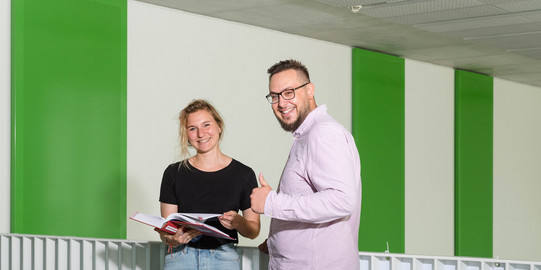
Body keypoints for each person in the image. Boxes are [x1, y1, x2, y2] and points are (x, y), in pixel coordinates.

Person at [250, 59, 362, 269]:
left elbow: (342, 200)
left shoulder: (322, 133)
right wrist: (277, 241)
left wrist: (271, 203)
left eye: (289, 92)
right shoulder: (308, 135)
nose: (281, 103)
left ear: (309, 90)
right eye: (274, 96)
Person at [156, 99, 260, 270]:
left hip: (224, 259)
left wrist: (238, 223)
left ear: (219, 126)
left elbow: (253, 230)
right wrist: (171, 239)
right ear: (187, 134)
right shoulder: (173, 173)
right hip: (180, 258)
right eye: (192, 128)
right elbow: (167, 231)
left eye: (206, 125)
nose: (200, 133)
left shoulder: (244, 174)